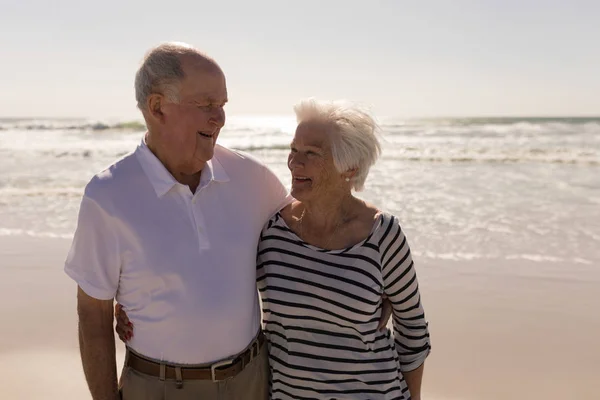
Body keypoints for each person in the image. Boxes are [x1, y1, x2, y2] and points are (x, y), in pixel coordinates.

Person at [117, 99, 431, 399]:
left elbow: (413, 328)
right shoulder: (272, 231)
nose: (295, 161)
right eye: (293, 149)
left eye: (312, 153)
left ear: (349, 167)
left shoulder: (382, 234)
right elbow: (209, 271)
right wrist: (135, 300)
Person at [65, 42, 291, 400]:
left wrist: (383, 274)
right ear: (157, 107)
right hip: (158, 388)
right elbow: (92, 316)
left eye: (222, 105)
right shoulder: (108, 196)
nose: (219, 117)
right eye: (205, 105)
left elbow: (312, 234)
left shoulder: (254, 179)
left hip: (252, 381)